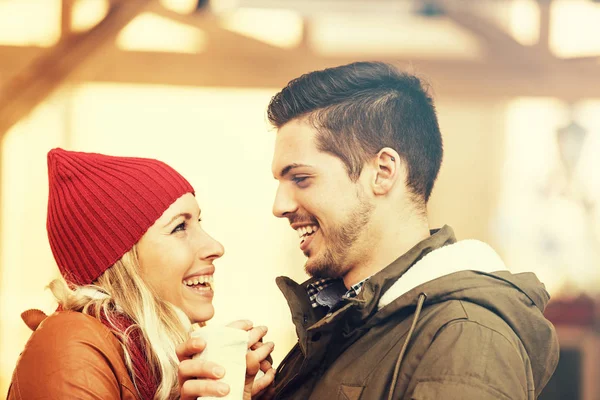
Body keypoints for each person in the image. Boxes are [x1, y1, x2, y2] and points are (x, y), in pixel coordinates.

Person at [267, 61, 560, 399]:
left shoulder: (465, 338)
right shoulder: (346, 320)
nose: (280, 206)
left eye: (300, 178)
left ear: (383, 172)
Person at [7, 148, 275, 399]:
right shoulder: (69, 345)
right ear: (121, 258)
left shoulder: (155, 359)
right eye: (180, 227)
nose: (216, 247)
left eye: (198, 222)